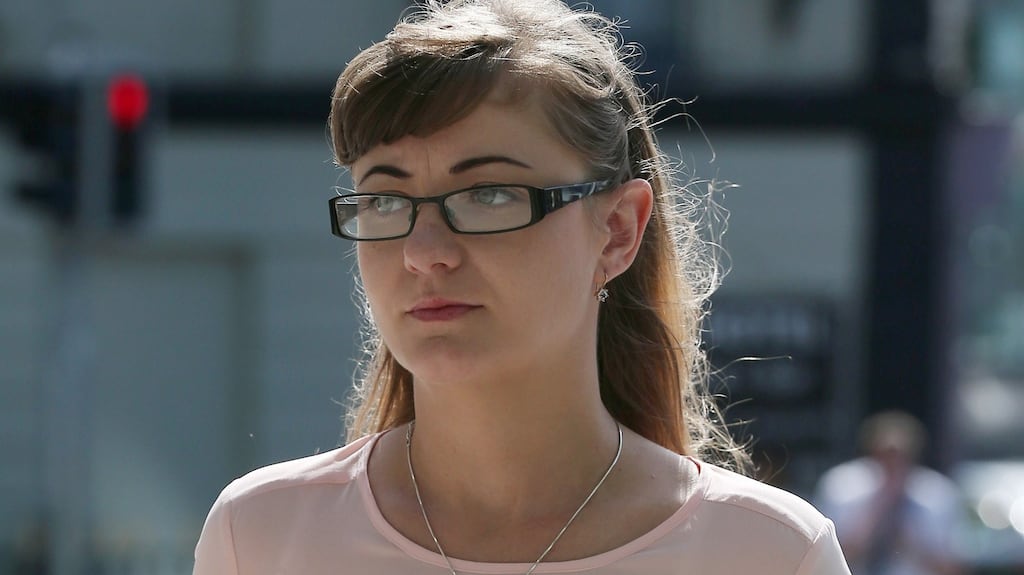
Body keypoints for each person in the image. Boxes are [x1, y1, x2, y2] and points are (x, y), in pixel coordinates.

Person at [193, 0, 851, 573]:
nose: (424, 253)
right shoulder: (261, 536)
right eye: (386, 200)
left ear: (618, 230)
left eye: (489, 194)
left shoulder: (768, 553)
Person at [814, 411, 965, 575]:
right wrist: (873, 520)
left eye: (902, 456)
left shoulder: (939, 495)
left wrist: (911, 543)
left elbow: (955, 568)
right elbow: (820, 558)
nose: (893, 463)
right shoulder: (841, 487)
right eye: (885, 455)